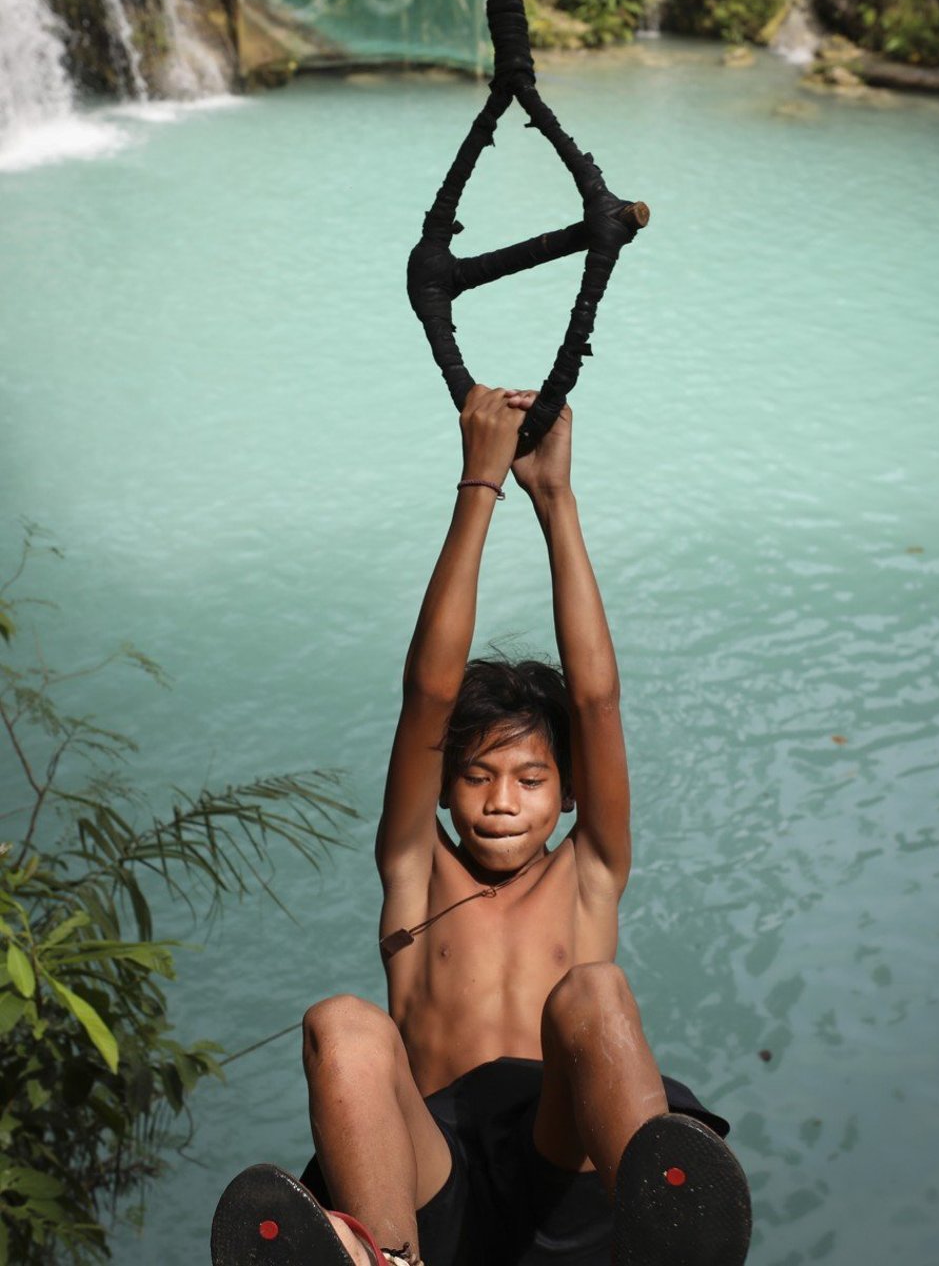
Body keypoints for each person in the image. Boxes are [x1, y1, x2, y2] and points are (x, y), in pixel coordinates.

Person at [211, 388, 751, 1266]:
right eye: (477, 775)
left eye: (532, 778)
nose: (503, 799)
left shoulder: (590, 869)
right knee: (341, 1021)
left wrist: (556, 502)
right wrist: (478, 485)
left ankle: (660, 1238)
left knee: (594, 991)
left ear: (568, 793)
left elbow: (597, 699)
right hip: (434, 1184)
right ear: (444, 789)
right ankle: (384, 1260)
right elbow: (427, 692)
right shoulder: (414, 867)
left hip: (562, 1162)